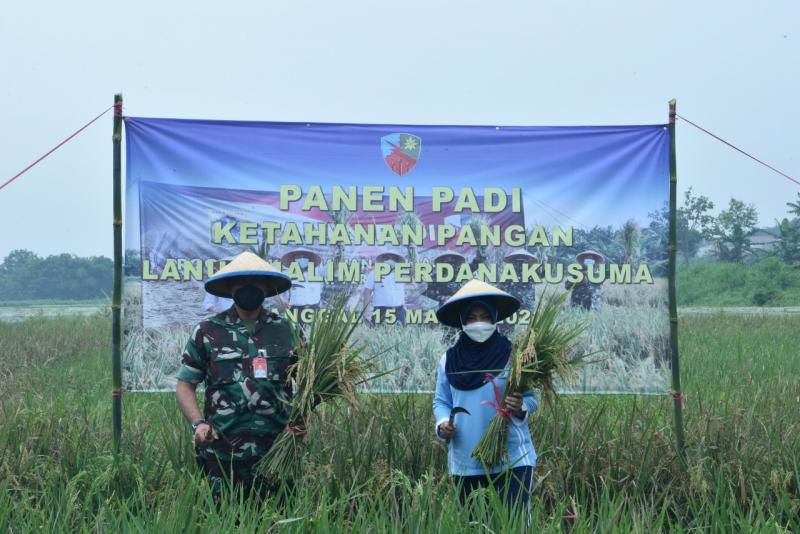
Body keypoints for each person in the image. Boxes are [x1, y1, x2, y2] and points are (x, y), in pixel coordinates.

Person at [175, 251, 300, 501]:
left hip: (276, 454)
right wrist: (198, 423)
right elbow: (185, 385)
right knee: (225, 522)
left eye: (256, 282)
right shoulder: (207, 331)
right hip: (223, 455)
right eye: (242, 282)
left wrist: (301, 421)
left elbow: (310, 383)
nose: (250, 288)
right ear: (230, 288)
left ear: (266, 287)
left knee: (278, 521)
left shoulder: (287, 331)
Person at [432, 279, 538, 515]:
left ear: (494, 319)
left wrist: (520, 407)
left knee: (514, 526)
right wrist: (443, 425)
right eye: (471, 317)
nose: (479, 323)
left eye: (485, 316)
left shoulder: (514, 356)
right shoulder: (449, 360)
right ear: (462, 322)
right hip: (466, 461)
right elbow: (441, 401)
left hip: (512, 459)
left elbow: (532, 398)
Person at [362, 251, 407, 325]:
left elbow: (416, 271)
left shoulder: (402, 273)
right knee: (377, 334)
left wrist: (414, 251)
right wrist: (366, 311)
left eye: (393, 258)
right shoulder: (374, 273)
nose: (390, 260)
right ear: (383, 259)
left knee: (400, 334)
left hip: (399, 310)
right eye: (388, 257)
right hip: (380, 310)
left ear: (397, 261)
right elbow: (367, 292)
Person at [281, 248, 324, 321]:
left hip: (313, 310)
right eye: (298, 257)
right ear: (293, 259)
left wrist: (339, 253)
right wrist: (282, 302)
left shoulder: (317, 272)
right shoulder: (286, 274)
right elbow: (276, 291)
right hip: (294, 311)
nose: (301, 259)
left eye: (304, 257)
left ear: (309, 259)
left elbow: (335, 269)